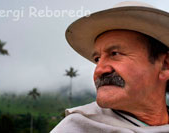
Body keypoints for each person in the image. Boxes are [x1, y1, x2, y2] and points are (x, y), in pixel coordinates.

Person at [51, 1, 169, 133]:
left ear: (165, 65)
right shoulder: (77, 129)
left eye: (115, 54)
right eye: (97, 59)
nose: (99, 70)